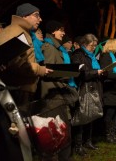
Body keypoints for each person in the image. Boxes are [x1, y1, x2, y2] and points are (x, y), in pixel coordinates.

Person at [0, 3, 53, 160]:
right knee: (16, 133)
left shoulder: (22, 31)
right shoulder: (16, 31)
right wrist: (41, 70)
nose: (40, 19)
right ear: (24, 16)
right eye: (36, 15)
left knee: (22, 133)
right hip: (17, 88)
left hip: (22, 87)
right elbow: (16, 63)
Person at [40, 20, 77, 161]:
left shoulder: (57, 47)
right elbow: (48, 71)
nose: (64, 33)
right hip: (53, 94)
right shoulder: (49, 47)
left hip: (60, 93)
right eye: (61, 30)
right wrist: (69, 72)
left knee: (64, 129)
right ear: (53, 31)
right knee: (57, 131)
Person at [71, 33, 104, 156]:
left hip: (94, 88)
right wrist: (96, 72)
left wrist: (100, 72)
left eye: (95, 45)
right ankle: (78, 145)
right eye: (92, 45)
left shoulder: (92, 56)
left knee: (91, 116)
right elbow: (80, 73)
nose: (94, 48)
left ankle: (88, 141)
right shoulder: (78, 55)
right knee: (82, 117)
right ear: (84, 44)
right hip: (83, 89)